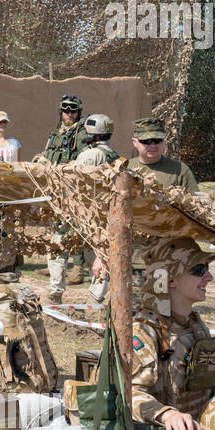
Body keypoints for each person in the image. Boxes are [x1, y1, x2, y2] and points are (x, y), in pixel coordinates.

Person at [128, 237, 215, 430]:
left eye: (206, 268)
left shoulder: (195, 326)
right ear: (169, 280)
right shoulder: (144, 331)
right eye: (198, 270)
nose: (209, 277)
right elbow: (126, 394)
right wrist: (167, 415)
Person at [127, 116, 199, 283]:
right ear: (135, 142)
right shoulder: (124, 169)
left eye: (157, 140)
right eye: (147, 141)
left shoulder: (180, 171)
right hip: (132, 257)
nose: (153, 145)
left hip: (166, 258)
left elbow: (197, 208)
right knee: (128, 307)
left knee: (160, 307)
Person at [43, 93, 91, 303]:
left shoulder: (81, 133)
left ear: (78, 112)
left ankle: (78, 268)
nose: (69, 114)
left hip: (72, 188)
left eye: (72, 110)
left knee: (75, 228)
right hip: (55, 187)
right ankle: (56, 268)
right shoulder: (56, 133)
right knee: (56, 228)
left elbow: (84, 159)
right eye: (65, 110)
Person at [75, 114, 119, 305]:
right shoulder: (113, 154)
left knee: (97, 256)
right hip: (108, 210)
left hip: (91, 211)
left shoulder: (90, 155)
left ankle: (96, 299)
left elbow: (75, 179)